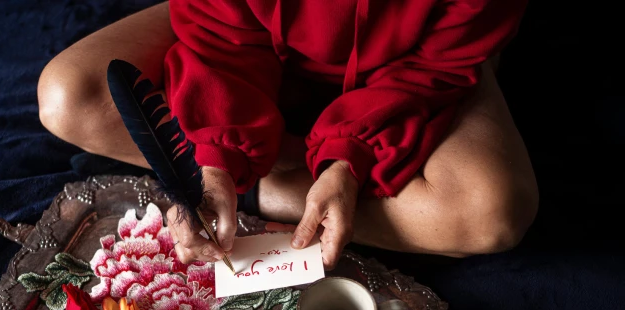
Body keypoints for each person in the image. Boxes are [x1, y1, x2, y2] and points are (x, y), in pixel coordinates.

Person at [38, 0, 538, 269]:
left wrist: (347, 159)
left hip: (413, 67)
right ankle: (265, 184)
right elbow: (220, 31)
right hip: (239, 30)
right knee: (68, 97)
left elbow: (432, 68)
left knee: (491, 212)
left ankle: (277, 188)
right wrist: (218, 159)